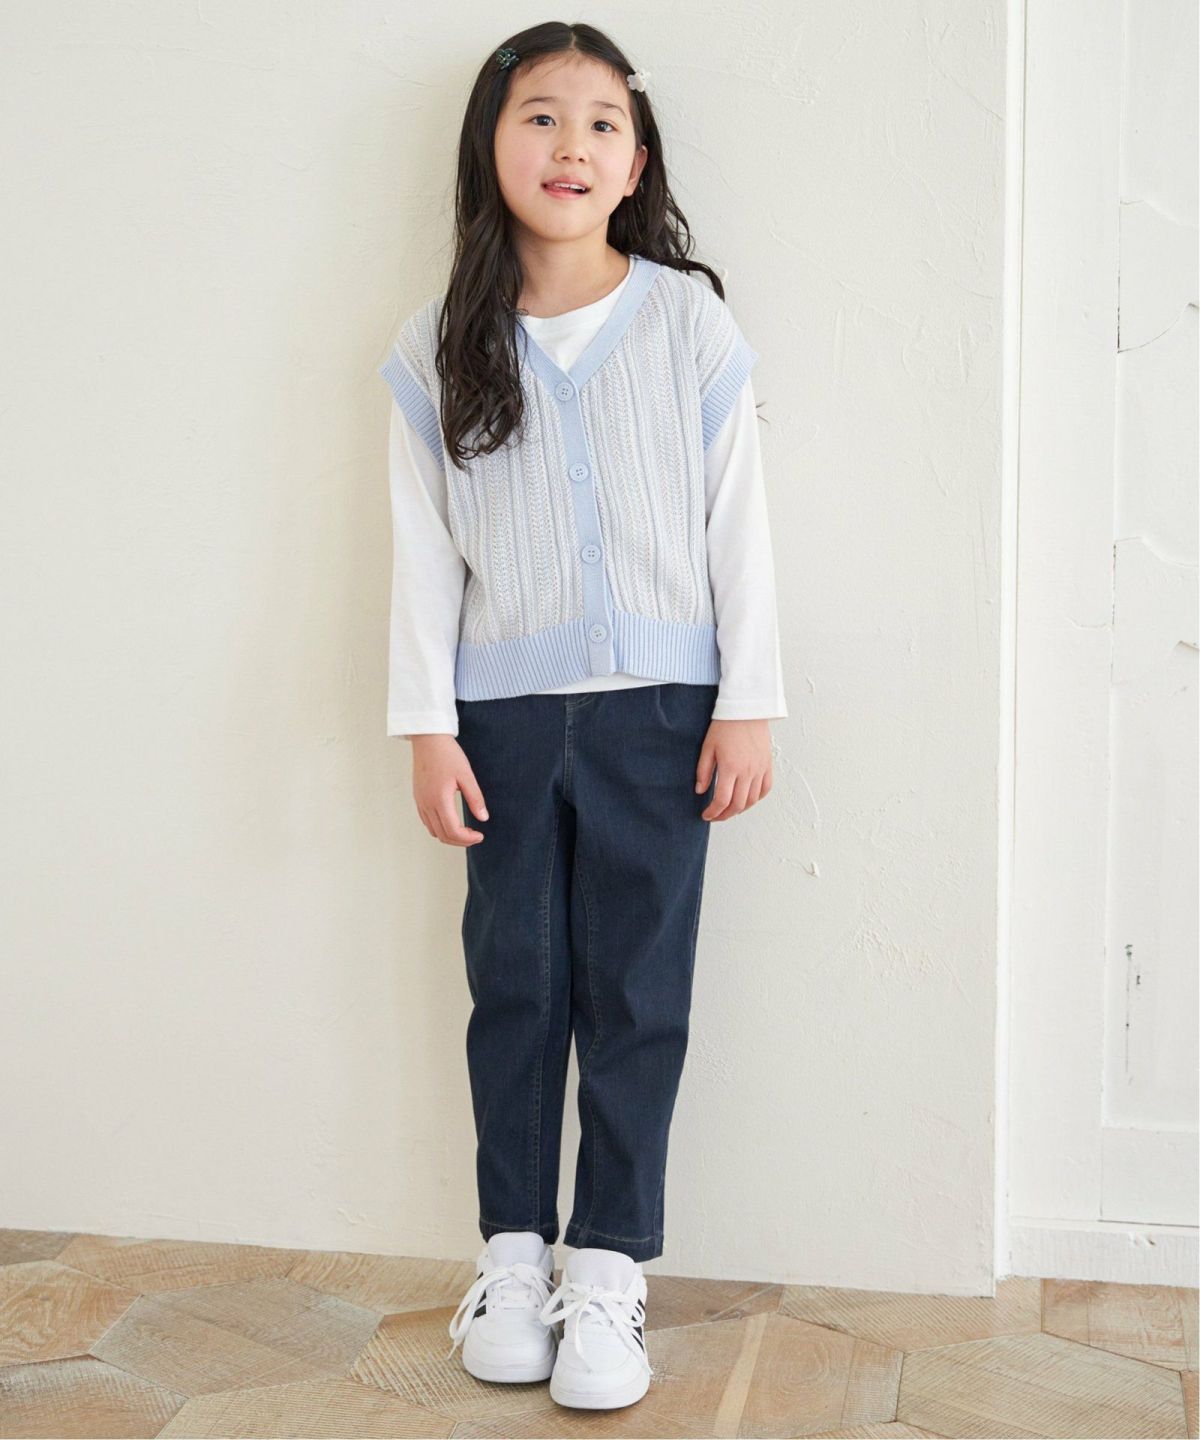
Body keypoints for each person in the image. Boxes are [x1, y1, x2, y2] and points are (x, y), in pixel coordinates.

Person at [377, 21, 787, 1413]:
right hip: (498, 720)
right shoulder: (439, 346)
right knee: (516, 989)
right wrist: (427, 725)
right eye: (540, 117)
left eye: (601, 122)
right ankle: (511, 1260)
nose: (571, 144)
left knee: (636, 996)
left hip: (665, 716)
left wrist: (749, 702)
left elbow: (740, 525)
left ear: (638, 161)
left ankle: (607, 1273)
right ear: (489, 147)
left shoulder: (687, 324)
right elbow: (421, 553)